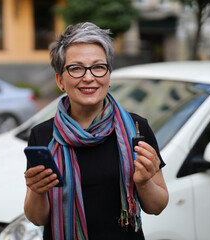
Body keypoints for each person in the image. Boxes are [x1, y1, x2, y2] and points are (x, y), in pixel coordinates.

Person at [24, 22, 168, 240]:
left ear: (109, 76)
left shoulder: (136, 129)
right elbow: (38, 218)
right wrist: (37, 191)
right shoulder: (43, 135)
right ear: (60, 80)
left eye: (98, 67)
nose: (89, 77)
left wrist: (144, 181)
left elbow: (157, 206)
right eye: (76, 68)